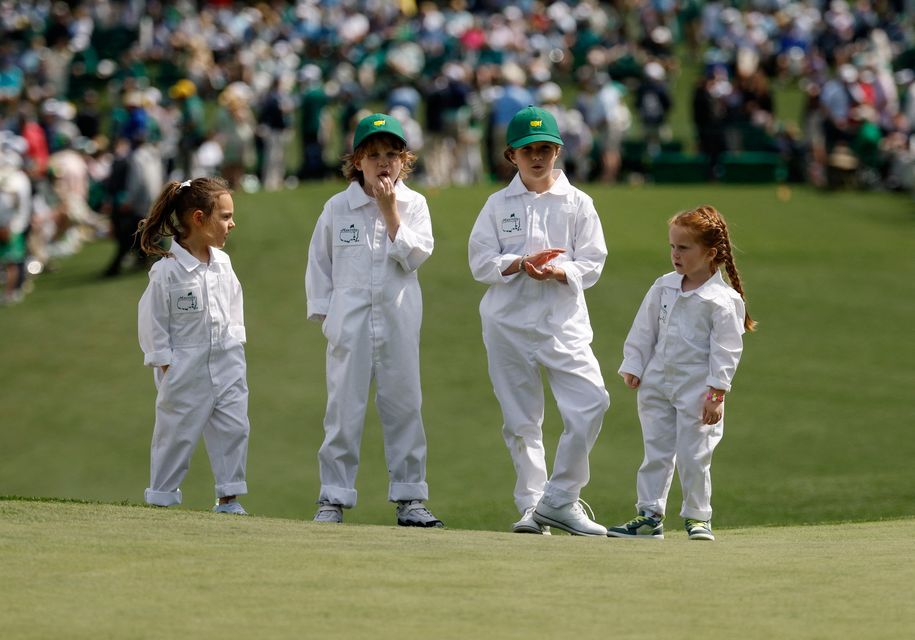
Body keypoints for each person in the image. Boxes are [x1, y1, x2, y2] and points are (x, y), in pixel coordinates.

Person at [468, 105, 610, 537]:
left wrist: (558, 270)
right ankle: (532, 506)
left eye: (546, 149)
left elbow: (594, 261)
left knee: (592, 402)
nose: (537, 157)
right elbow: (479, 262)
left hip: (561, 322)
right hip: (507, 323)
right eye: (528, 149)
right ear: (511, 155)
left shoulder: (578, 202)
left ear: (558, 152)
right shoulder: (497, 204)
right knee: (521, 421)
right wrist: (517, 264)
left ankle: (559, 498)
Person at [305, 113, 443, 528]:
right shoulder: (337, 207)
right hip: (349, 321)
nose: (383, 163)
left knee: (404, 405)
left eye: (391, 155)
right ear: (357, 161)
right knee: (343, 409)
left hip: (398, 317)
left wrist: (389, 211)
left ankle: (410, 497)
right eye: (374, 155)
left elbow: (416, 255)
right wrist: (329, 318)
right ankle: (333, 496)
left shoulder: (414, 204)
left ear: (404, 161)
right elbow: (320, 265)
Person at [607, 205, 756, 542]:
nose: (675, 254)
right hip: (657, 382)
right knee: (656, 451)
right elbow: (644, 329)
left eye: (684, 248)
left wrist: (716, 393)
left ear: (711, 253)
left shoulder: (722, 299)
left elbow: (727, 350)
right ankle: (649, 516)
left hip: (697, 389)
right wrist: (634, 364)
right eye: (672, 246)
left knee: (694, 454)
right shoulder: (664, 286)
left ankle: (698, 517)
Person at [136, 177, 250, 515]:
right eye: (225, 216)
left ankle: (229, 500)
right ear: (199, 218)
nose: (232, 224)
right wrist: (167, 365)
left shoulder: (223, 264)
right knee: (176, 435)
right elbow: (153, 321)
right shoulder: (167, 271)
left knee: (235, 427)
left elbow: (233, 306)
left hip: (228, 362)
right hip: (186, 367)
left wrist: (235, 347)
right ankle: (162, 498)